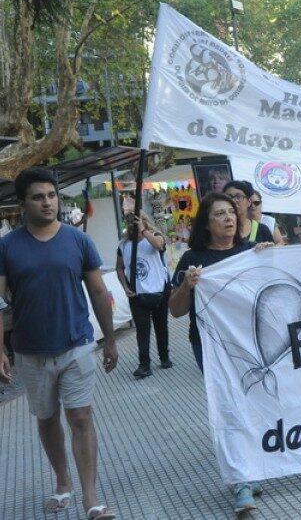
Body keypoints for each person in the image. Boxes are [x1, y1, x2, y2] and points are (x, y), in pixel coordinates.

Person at [0, 168, 118, 520]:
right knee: (47, 418)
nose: (47, 202)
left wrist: (109, 339)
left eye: (51, 195)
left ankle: (91, 498)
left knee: (80, 416)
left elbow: (98, 291)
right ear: (22, 204)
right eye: (38, 197)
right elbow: (0, 301)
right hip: (29, 350)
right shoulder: (7, 246)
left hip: (77, 344)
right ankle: (62, 481)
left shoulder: (78, 240)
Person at [169, 192, 270, 514]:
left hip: (251, 343)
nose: (228, 218)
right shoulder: (192, 260)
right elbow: (175, 310)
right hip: (211, 346)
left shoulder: (249, 252)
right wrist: (188, 285)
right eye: (219, 214)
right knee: (228, 408)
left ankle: (252, 466)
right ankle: (241, 481)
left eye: (231, 213)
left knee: (252, 404)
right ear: (207, 223)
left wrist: (270, 258)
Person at [116, 212, 172, 379]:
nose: (132, 225)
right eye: (129, 222)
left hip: (160, 290)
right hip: (137, 294)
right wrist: (125, 286)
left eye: (136, 222)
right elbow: (119, 267)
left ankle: (164, 356)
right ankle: (144, 364)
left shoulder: (154, 236)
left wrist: (144, 231)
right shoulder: (123, 245)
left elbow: (159, 245)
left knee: (161, 325)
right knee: (142, 329)